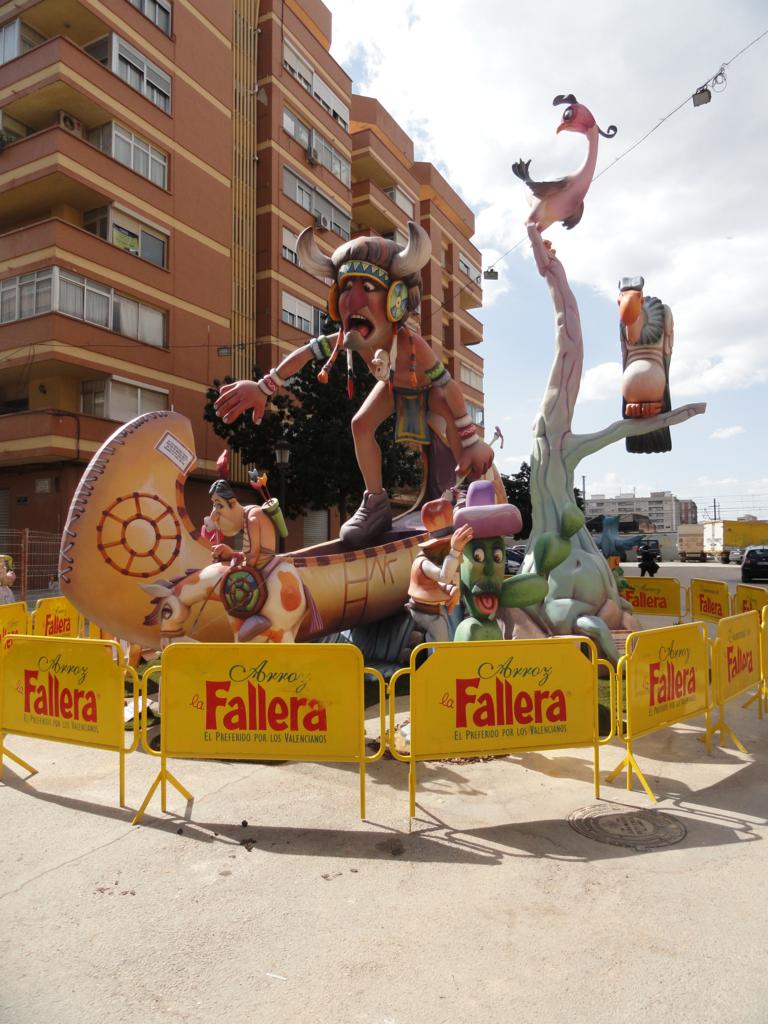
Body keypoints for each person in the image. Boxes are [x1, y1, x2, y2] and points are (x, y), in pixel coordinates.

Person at [214, 222, 495, 548]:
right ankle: (376, 502)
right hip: (393, 389)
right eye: (346, 287)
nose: (353, 300)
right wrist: (264, 387)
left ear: (395, 299)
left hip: (428, 392)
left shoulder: (412, 345)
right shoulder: (350, 341)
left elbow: (448, 387)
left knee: (449, 428)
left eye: (368, 286)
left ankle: (465, 491)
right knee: (360, 424)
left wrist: (468, 434)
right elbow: (306, 353)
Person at [406, 498, 473, 644]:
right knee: (440, 634)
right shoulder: (423, 563)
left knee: (440, 632)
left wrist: (451, 590)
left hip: (433, 608)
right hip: (424, 611)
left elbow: (437, 583)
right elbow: (443, 576)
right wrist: (455, 551)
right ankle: (437, 661)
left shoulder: (435, 561)